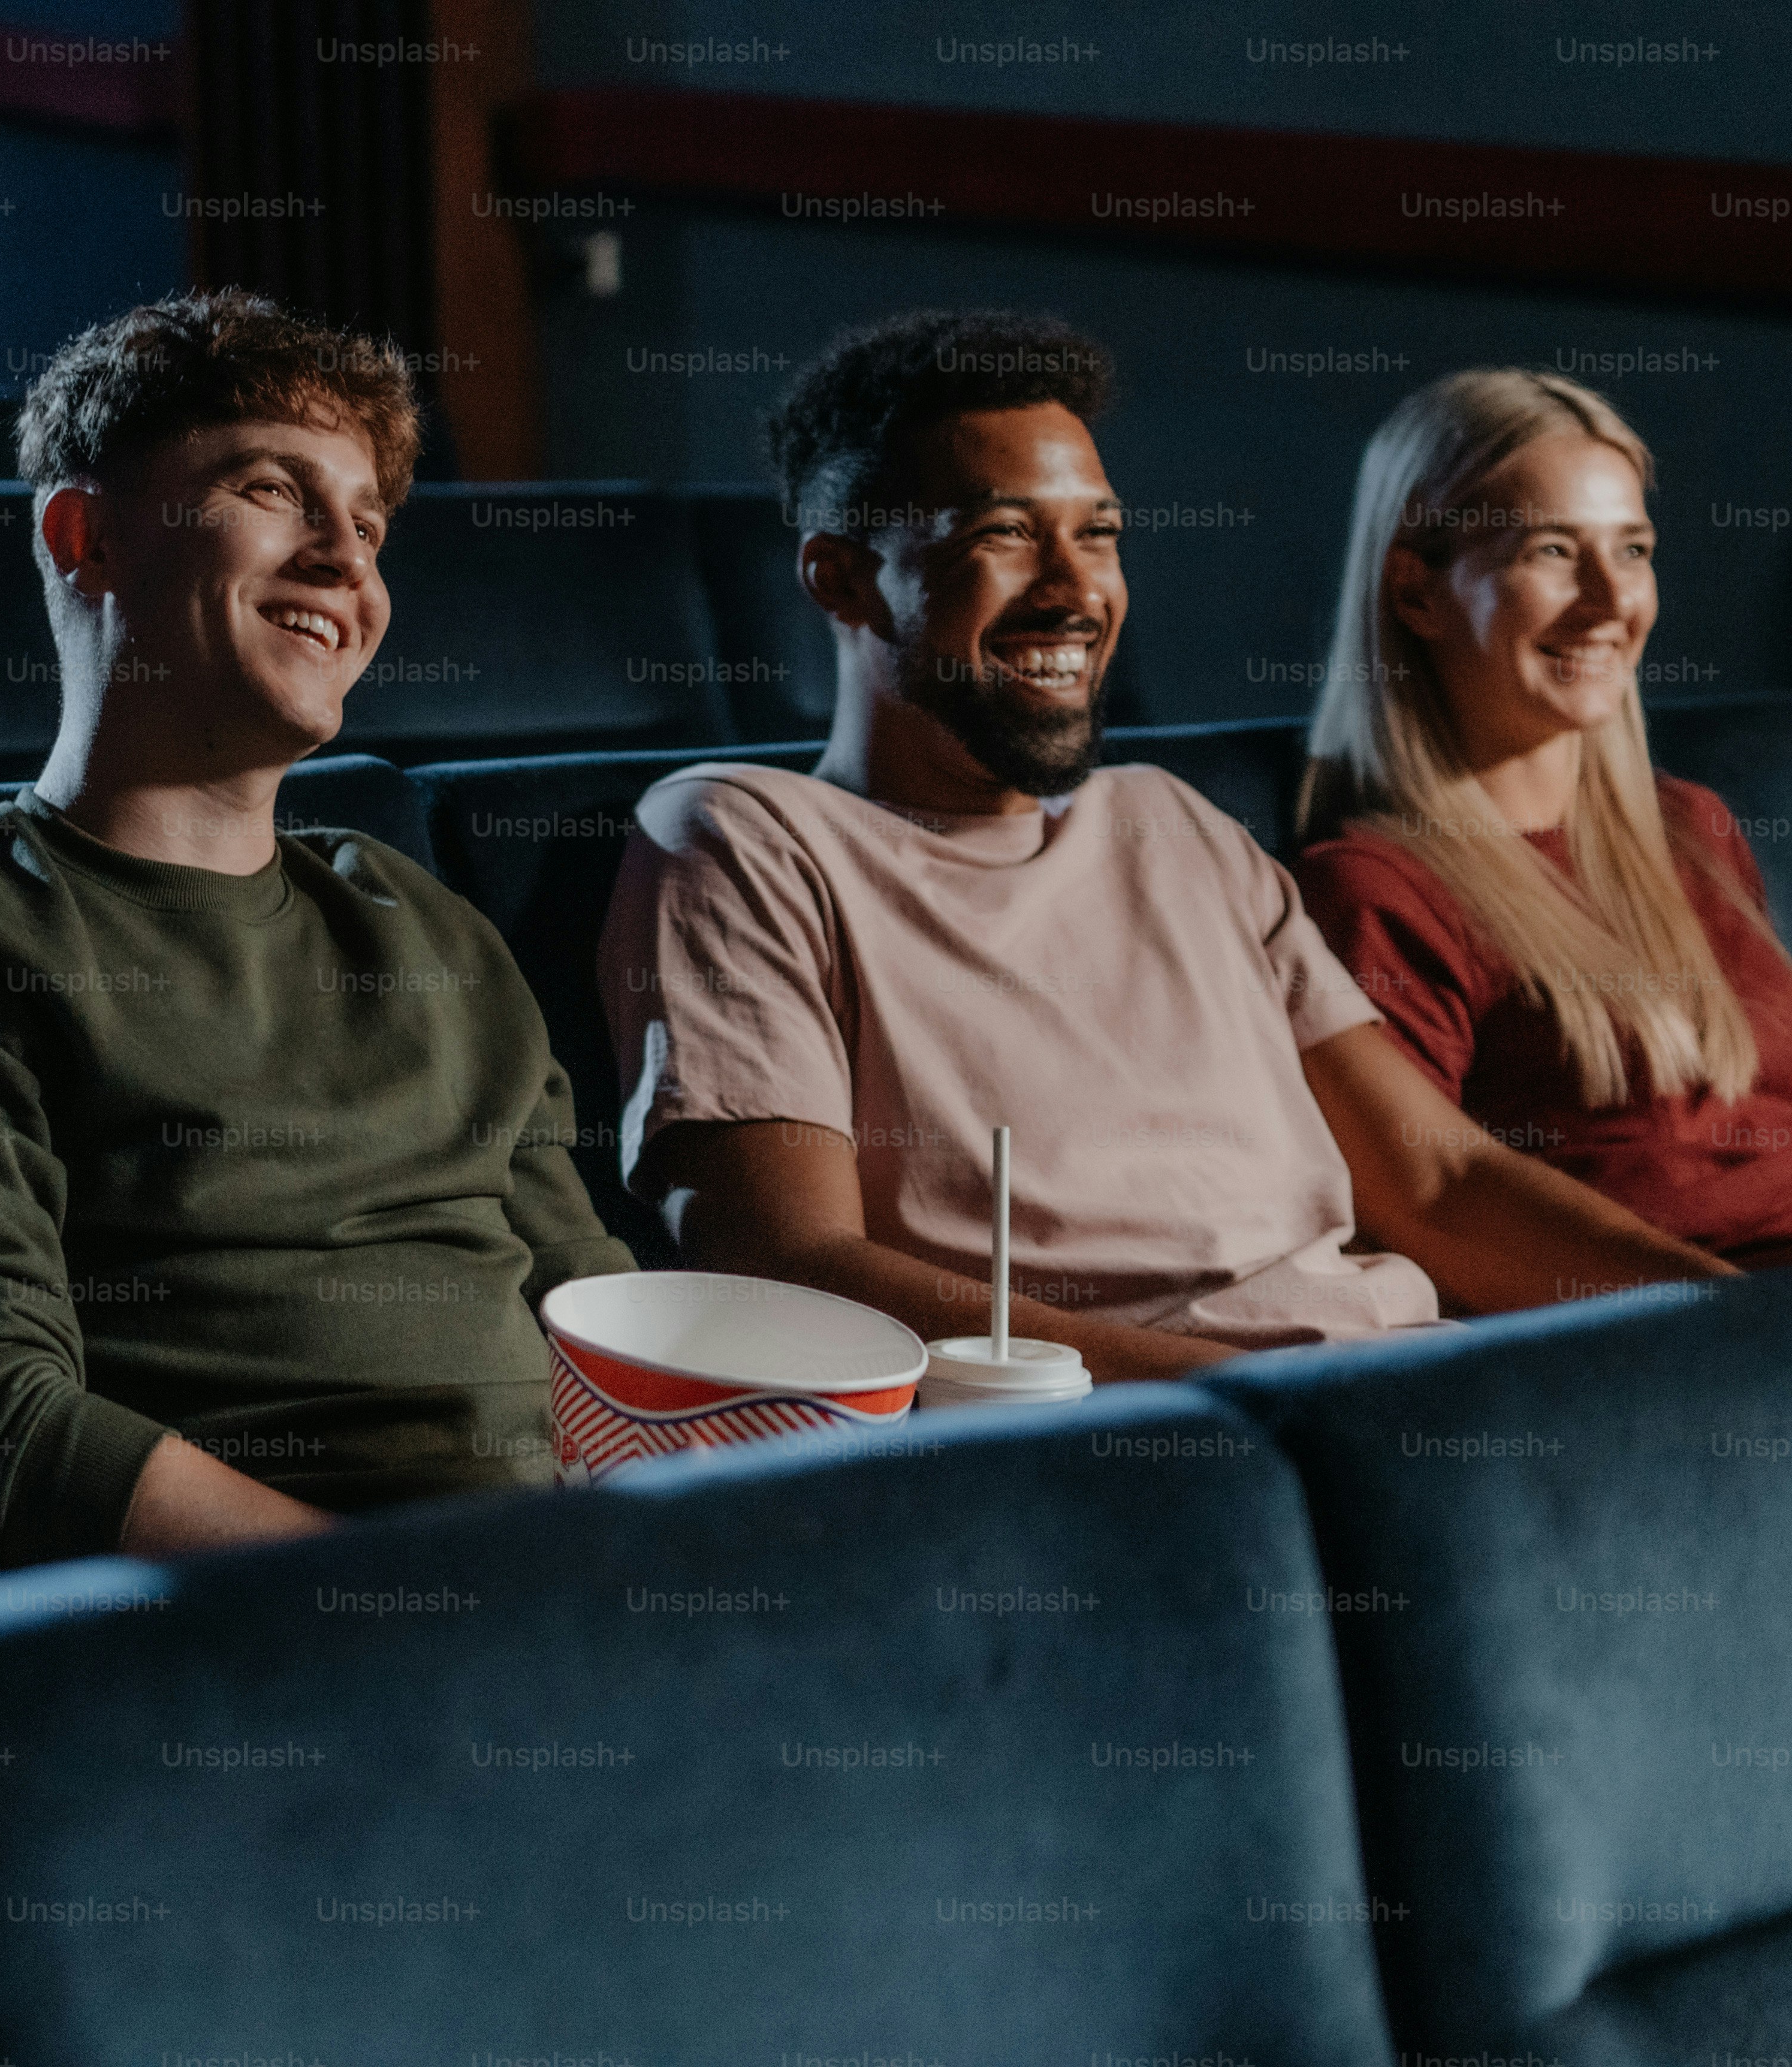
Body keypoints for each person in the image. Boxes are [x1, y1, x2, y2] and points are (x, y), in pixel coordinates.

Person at [596, 310, 1733, 1384]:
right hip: (1151, 1451)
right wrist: (1276, 1416)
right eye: (1004, 534)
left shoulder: (1173, 823)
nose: (1075, 587)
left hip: (1398, 1392)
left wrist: (1740, 1327)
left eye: (1098, 534)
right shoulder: (740, 838)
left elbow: (1441, 1179)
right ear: (840, 576)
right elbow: (787, 1272)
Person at [0, 290, 634, 1570]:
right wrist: (397, 1603)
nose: (347, 558)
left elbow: (597, 1325)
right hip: (247, 1638)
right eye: (275, 490)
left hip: (556, 1592)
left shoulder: (421, 919)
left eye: (370, 524)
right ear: (89, 538)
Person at [1293, 370, 1792, 1268]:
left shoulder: (1692, 824)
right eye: (1553, 553)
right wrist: (1743, 1332)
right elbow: (1425, 1217)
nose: (1611, 603)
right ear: (1414, 593)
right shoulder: (1372, 890)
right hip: (1693, 1351)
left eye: (1633, 551)